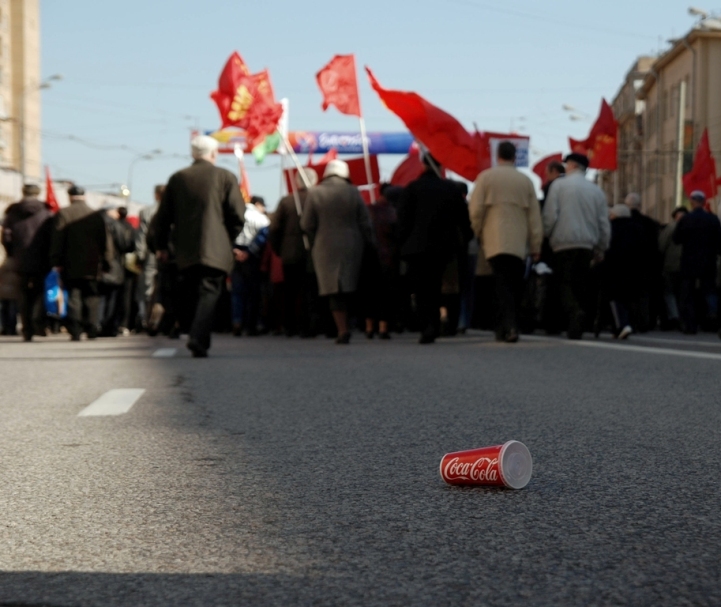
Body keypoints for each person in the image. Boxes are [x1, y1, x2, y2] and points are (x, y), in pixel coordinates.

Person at [153, 135, 245, 357]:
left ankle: (195, 334)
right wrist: (227, 237)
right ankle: (197, 337)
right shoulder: (225, 176)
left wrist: (161, 246)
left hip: (185, 250)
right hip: (216, 248)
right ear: (214, 154)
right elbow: (238, 214)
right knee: (209, 292)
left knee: (192, 292)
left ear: (193, 154)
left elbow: (163, 218)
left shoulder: (178, 178)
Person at [470, 141, 543, 342]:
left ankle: (506, 326)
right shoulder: (525, 181)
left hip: (493, 241)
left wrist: (476, 233)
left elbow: (476, 211)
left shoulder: (485, 179)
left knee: (500, 283)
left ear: (498, 155)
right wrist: (536, 244)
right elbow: (534, 216)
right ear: (514, 156)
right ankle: (508, 325)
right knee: (512, 284)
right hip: (518, 243)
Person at [397, 153, 472, 344]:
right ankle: (436, 323)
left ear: (423, 165)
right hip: (443, 247)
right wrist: (463, 240)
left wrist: (402, 244)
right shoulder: (450, 189)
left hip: (416, 248)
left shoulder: (412, 188)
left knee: (421, 288)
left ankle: (426, 325)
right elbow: (463, 220)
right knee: (437, 286)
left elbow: (403, 221)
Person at [301, 159, 374, 344]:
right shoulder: (353, 191)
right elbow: (365, 221)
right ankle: (361, 325)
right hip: (352, 244)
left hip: (324, 247)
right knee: (352, 285)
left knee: (333, 290)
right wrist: (369, 242)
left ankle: (341, 329)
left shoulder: (315, 192)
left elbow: (306, 223)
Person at [543, 153, 610, 339]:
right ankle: (576, 326)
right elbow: (603, 222)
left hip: (563, 242)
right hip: (586, 244)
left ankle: (574, 312)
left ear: (572, 165)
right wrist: (601, 247)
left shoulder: (559, 185)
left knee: (563, 282)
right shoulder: (596, 190)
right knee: (580, 284)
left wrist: (546, 235)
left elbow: (550, 215)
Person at [49, 185, 107, 341]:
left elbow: (57, 240)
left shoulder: (64, 213)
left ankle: (75, 330)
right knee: (91, 296)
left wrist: (56, 260)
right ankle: (92, 328)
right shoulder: (95, 215)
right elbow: (105, 241)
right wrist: (106, 261)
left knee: (74, 295)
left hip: (70, 262)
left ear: (69, 196)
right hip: (94, 263)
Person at [269, 168, 318, 337]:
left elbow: (274, 229)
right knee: (310, 291)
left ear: (297, 182)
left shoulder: (286, 201)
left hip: (290, 254)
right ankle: (309, 326)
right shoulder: (317, 199)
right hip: (313, 253)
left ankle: (290, 327)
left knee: (290, 292)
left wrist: (279, 250)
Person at [1, 184, 53, 341]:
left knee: (23, 294)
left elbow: (7, 237)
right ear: (38, 193)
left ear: (23, 192)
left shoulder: (13, 212)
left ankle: (27, 329)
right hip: (41, 259)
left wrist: (12, 253)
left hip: (20, 259)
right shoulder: (46, 212)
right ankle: (39, 325)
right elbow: (51, 236)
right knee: (39, 292)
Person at [673, 190, 721, 334]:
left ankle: (690, 324)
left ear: (693, 202)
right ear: (704, 202)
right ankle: (712, 318)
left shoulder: (686, 219)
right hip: (708, 262)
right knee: (709, 291)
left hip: (689, 262)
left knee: (688, 294)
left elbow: (676, 239)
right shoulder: (713, 220)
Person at [601, 204, 644, 339]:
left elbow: (605, 245)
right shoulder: (638, 228)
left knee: (614, 297)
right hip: (635, 268)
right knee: (629, 297)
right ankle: (630, 324)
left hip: (615, 266)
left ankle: (622, 325)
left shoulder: (612, 228)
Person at [231, 195, 270, 336]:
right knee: (253, 293)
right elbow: (262, 238)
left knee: (237, 293)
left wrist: (235, 250)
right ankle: (250, 325)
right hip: (252, 259)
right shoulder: (261, 218)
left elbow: (227, 233)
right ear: (258, 204)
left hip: (235, 256)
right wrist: (248, 252)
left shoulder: (234, 213)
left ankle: (237, 322)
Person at [624, 193, 661, 331]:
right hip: (647, 264)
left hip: (628, 264)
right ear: (640, 206)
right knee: (644, 294)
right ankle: (645, 321)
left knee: (629, 295)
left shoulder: (624, 222)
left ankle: (631, 321)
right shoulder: (650, 223)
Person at [135, 185, 164, 331]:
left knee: (147, 288)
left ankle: (145, 318)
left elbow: (141, 235)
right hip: (169, 255)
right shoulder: (178, 210)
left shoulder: (147, 211)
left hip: (151, 254)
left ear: (156, 195)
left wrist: (140, 255)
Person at [658, 207, 686, 330]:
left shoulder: (670, 228)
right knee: (683, 293)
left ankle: (674, 316)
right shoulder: (692, 227)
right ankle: (683, 317)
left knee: (669, 292)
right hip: (687, 265)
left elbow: (661, 246)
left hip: (671, 264)